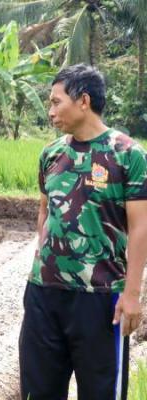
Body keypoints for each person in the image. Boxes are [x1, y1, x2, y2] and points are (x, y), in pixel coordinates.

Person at [19, 64, 147, 400]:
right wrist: (42, 260)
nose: (50, 111)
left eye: (56, 102)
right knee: (38, 392)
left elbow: (140, 227)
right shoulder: (51, 153)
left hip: (100, 297)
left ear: (83, 101)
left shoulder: (127, 154)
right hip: (44, 294)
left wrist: (132, 294)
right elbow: (45, 211)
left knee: (100, 393)